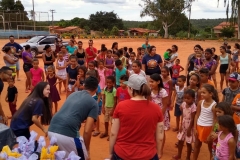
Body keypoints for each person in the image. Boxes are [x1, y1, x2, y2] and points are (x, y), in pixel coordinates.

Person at [109, 74, 164, 160]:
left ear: (131, 89)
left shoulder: (120, 106)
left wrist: (111, 153)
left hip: (122, 153)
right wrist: (159, 153)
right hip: (148, 154)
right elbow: (160, 137)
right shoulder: (156, 109)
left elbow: (113, 133)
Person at [48, 76, 99, 159]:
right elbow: (87, 131)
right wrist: (87, 149)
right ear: (96, 89)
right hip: (66, 134)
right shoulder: (93, 103)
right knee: (83, 157)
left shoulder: (73, 94)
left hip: (52, 129)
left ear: (84, 85)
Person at [193, 84, 219, 160]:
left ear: (211, 94)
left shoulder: (214, 106)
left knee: (211, 148)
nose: (201, 94)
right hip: (199, 126)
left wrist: (212, 132)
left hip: (209, 128)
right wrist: (195, 128)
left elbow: (215, 120)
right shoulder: (200, 102)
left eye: (204, 93)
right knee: (196, 145)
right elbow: (197, 115)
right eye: (201, 92)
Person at [172, 89, 196, 160]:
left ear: (193, 99)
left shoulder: (193, 107)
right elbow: (182, 115)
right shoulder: (183, 104)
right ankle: (179, 155)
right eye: (185, 98)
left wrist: (189, 129)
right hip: (183, 125)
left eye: (188, 98)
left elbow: (192, 119)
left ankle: (188, 157)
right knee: (180, 141)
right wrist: (180, 126)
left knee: (188, 143)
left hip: (189, 126)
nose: (186, 100)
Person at [149, 73, 168, 158]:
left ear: (158, 82)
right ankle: (154, 148)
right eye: (150, 81)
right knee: (152, 132)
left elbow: (165, 105)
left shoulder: (163, 91)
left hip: (161, 115)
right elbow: (149, 102)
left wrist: (160, 116)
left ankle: (160, 151)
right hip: (152, 114)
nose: (150, 83)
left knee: (161, 132)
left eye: (152, 82)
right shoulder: (150, 90)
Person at [100, 76, 117, 140]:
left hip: (112, 107)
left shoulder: (114, 90)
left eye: (110, 83)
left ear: (113, 83)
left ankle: (111, 134)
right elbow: (104, 98)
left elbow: (115, 101)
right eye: (107, 82)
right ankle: (106, 132)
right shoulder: (105, 89)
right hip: (106, 107)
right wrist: (103, 107)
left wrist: (113, 110)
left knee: (111, 122)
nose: (108, 84)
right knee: (105, 120)